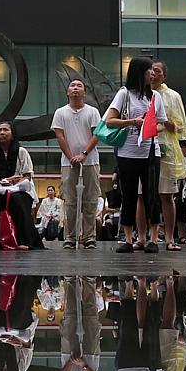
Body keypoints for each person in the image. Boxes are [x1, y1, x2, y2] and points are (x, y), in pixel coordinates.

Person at [104, 56, 168, 254]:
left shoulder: (155, 97)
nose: (153, 73)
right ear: (140, 72)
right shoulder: (124, 94)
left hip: (150, 151)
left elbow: (162, 123)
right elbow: (109, 121)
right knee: (129, 194)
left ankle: (153, 239)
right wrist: (132, 122)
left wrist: (150, 128)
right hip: (127, 152)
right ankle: (129, 239)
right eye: (149, 70)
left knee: (151, 195)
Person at [51, 78, 101, 250]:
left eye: (79, 86)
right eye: (72, 86)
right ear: (67, 91)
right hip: (68, 163)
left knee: (90, 200)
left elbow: (97, 134)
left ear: (84, 92)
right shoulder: (60, 112)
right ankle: (70, 237)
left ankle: (89, 238)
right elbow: (60, 136)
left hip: (91, 162)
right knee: (70, 201)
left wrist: (84, 154)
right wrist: (72, 156)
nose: (75, 88)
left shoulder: (93, 112)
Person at [0, 121, 42, 250]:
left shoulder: (21, 152)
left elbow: (27, 176)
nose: (2, 133)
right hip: (0, 189)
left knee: (16, 199)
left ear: (12, 134)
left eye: (5, 130)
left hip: (21, 190)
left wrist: (14, 181)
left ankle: (24, 241)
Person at [151, 60, 186, 251]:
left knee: (167, 195)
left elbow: (180, 126)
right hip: (144, 148)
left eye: (157, 71)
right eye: (151, 71)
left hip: (166, 149)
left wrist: (166, 123)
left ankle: (169, 237)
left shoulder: (172, 96)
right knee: (146, 195)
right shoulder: (140, 94)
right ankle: (149, 236)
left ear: (164, 75)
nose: (153, 74)